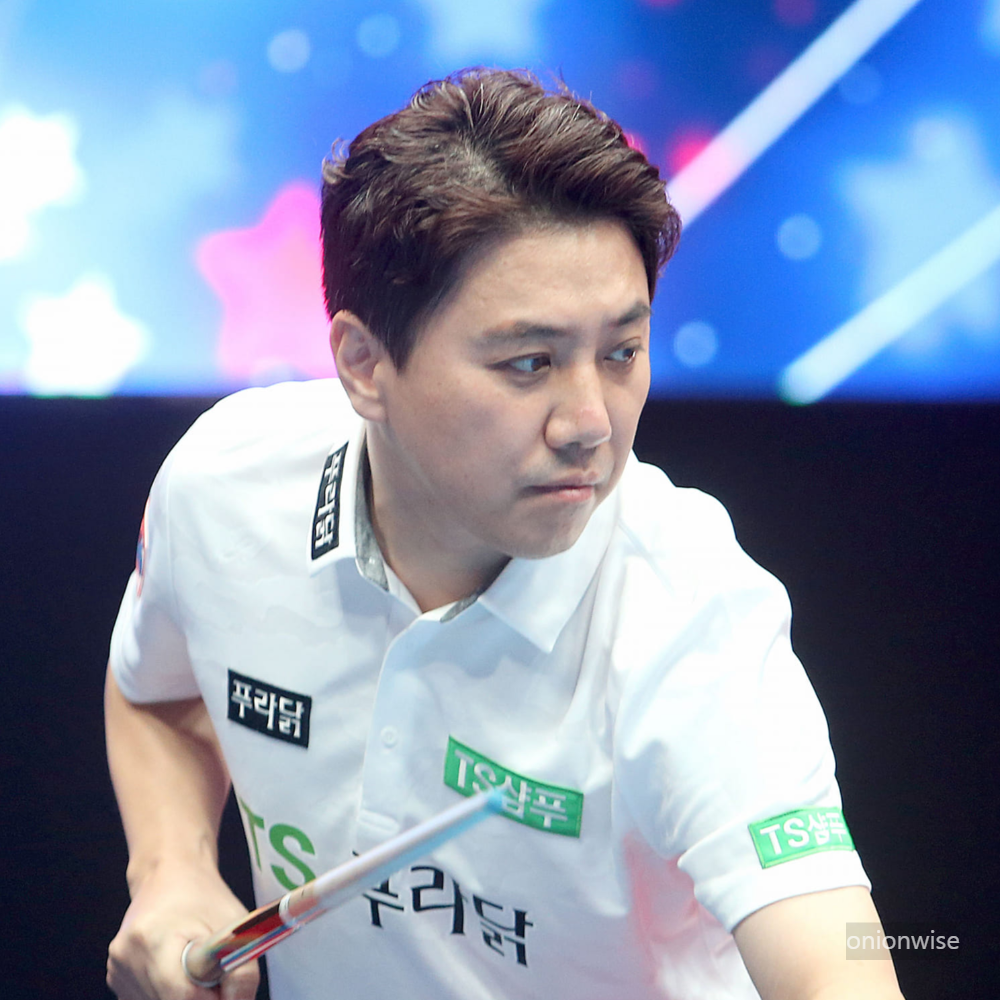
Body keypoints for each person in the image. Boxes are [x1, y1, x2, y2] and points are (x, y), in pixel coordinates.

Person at [105, 68, 904, 1000]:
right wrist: (170, 871)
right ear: (364, 364)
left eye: (622, 352)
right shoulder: (226, 485)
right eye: (529, 362)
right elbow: (158, 691)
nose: (591, 423)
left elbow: (835, 969)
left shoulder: (694, 618)